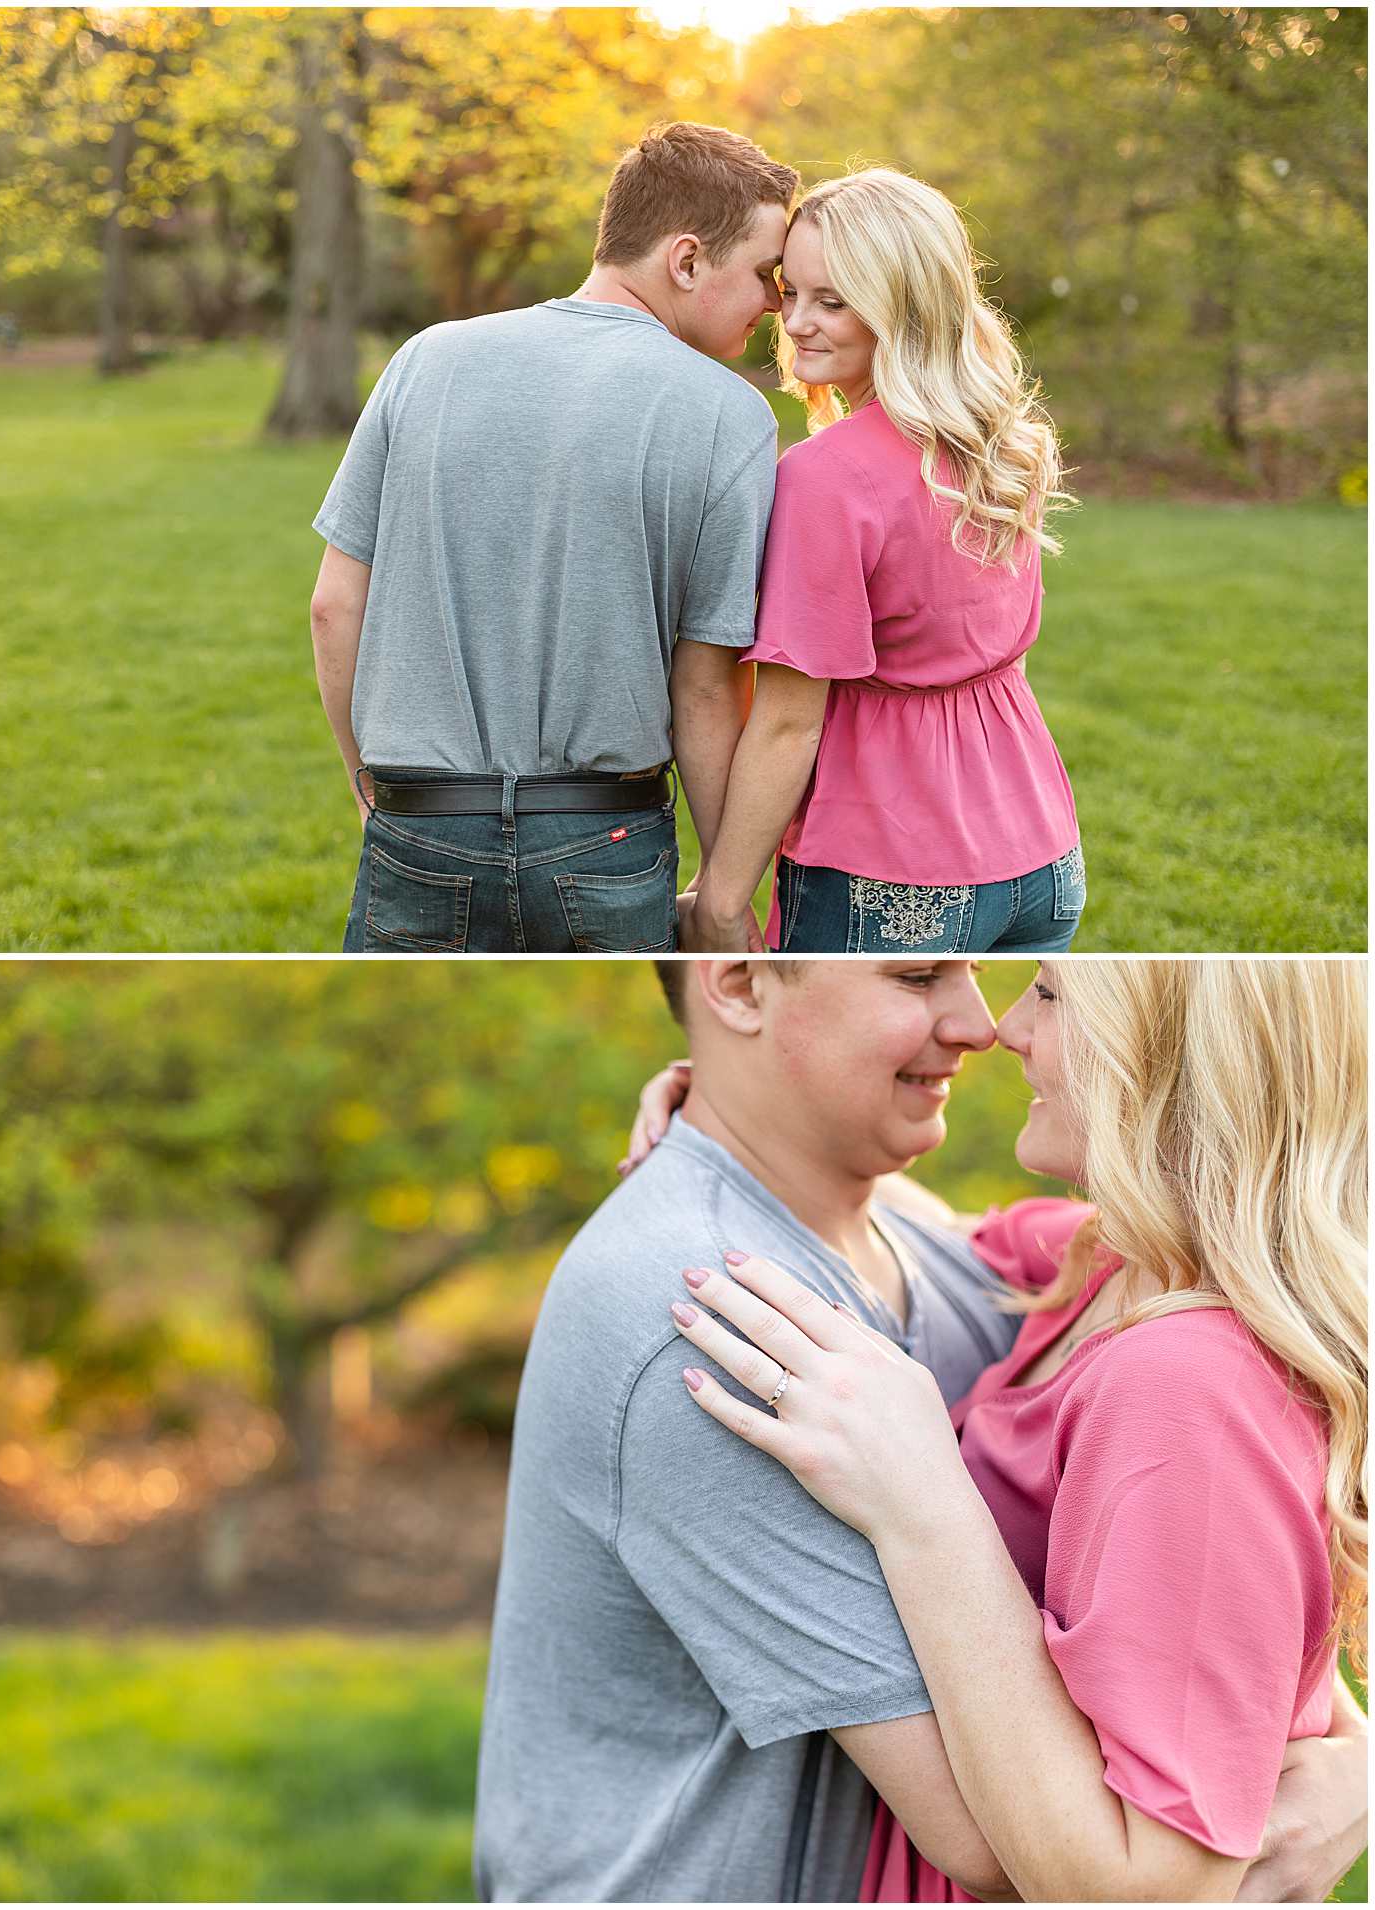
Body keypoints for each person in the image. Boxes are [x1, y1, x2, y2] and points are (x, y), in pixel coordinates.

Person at [474, 959, 1367, 1901]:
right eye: (916, 974)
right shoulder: (1071, 1274)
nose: (992, 1026)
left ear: (1179, 1052)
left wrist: (1355, 1767)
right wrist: (733, 1115)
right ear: (735, 983)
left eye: (1038, 989)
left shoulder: (1166, 1354)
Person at [310, 122, 794, 953]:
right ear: (686, 261)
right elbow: (706, 688)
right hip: (603, 842)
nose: (778, 303)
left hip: (421, 822)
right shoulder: (730, 415)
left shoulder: (426, 359)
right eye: (764, 275)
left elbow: (331, 607)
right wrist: (723, 890)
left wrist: (372, 793)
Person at [684, 171, 1083, 956]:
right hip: (1044, 859)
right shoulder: (1003, 445)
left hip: (891, 875)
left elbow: (789, 722)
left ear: (904, 306)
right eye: (788, 290)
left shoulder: (825, 477)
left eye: (832, 301)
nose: (795, 322)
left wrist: (723, 901)